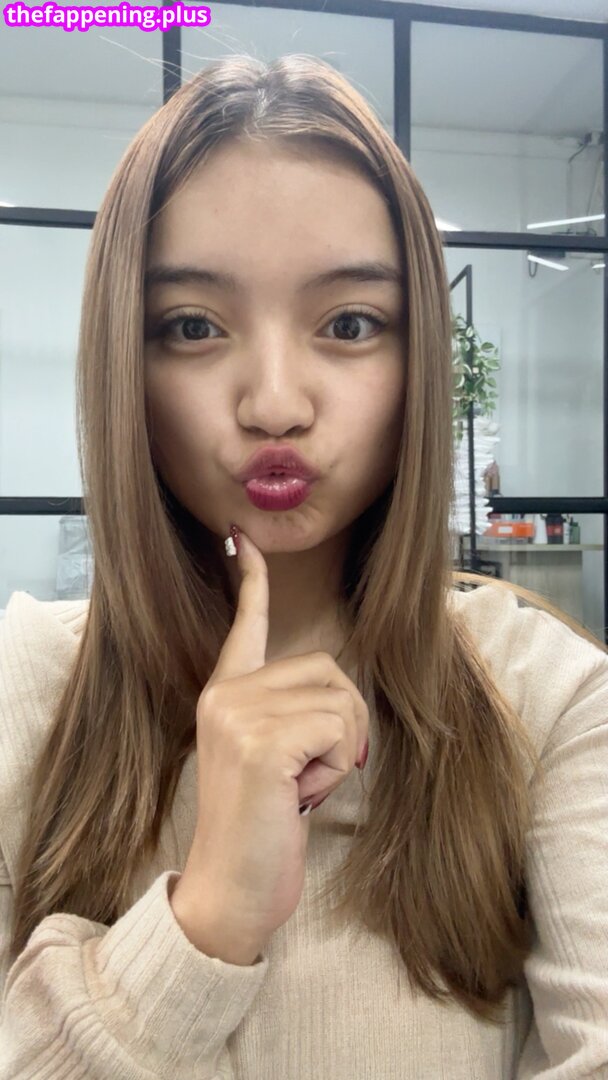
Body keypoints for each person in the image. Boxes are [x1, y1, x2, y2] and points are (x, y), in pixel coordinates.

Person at [0, 53, 607, 1079]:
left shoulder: (546, 702)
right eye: (193, 327)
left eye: (349, 324)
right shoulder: (23, 690)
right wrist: (204, 920)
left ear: (417, 358)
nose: (275, 403)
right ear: (125, 361)